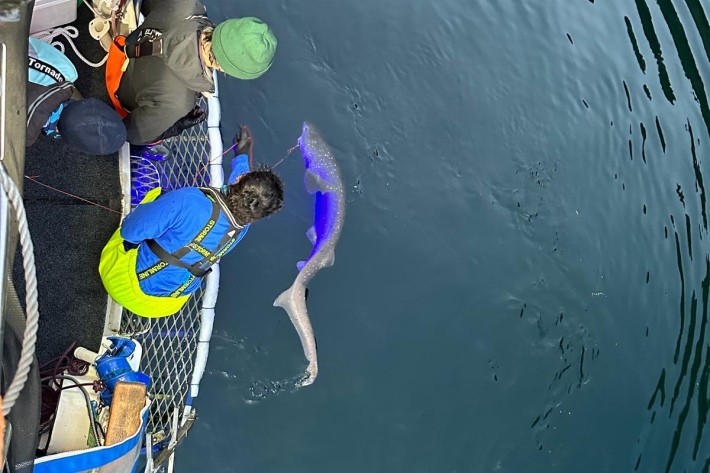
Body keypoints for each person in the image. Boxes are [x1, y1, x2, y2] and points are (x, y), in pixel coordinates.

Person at [98, 127, 284, 317]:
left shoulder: (190, 200)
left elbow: (129, 231)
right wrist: (242, 156)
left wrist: (242, 150)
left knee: (155, 197)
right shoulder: (242, 227)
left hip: (126, 286)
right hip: (164, 306)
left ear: (240, 180)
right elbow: (245, 192)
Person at [105, 0, 278, 147]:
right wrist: (176, 126)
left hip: (120, 51)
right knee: (150, 137)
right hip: (116, 89)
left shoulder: (190, 5)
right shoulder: (178, 103)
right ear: (229, 70)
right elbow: (128, 134)